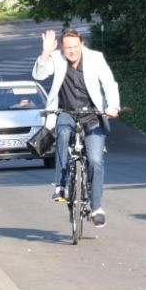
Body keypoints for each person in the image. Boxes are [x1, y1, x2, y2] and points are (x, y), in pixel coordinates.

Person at [32, 28, 121, 227]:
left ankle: (96, 208)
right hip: (67, 112)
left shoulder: (95, 58)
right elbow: (39, 75)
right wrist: (45, 52)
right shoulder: (57, 58)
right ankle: (61, 184)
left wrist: (113, 106)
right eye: (67, 48)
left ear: (82, 44)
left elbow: (109, 84)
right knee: (63, 133)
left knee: (95, 160)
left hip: (93, 115)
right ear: (62, 48)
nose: (71, 51)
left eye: (75, 46)